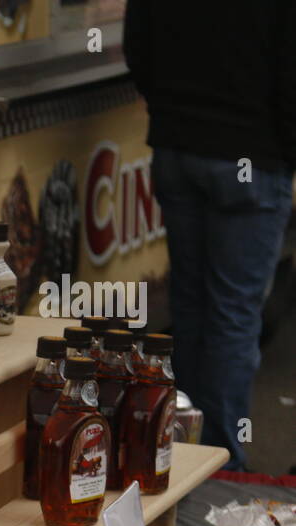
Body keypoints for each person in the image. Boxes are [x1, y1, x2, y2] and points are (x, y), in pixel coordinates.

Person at [124, 0, 295, 471]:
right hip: (253, 159)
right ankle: (219, 461)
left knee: (191, 306)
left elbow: (137, 47)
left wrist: (169, 112)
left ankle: (179, 449)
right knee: (232, 315)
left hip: (178, 150)